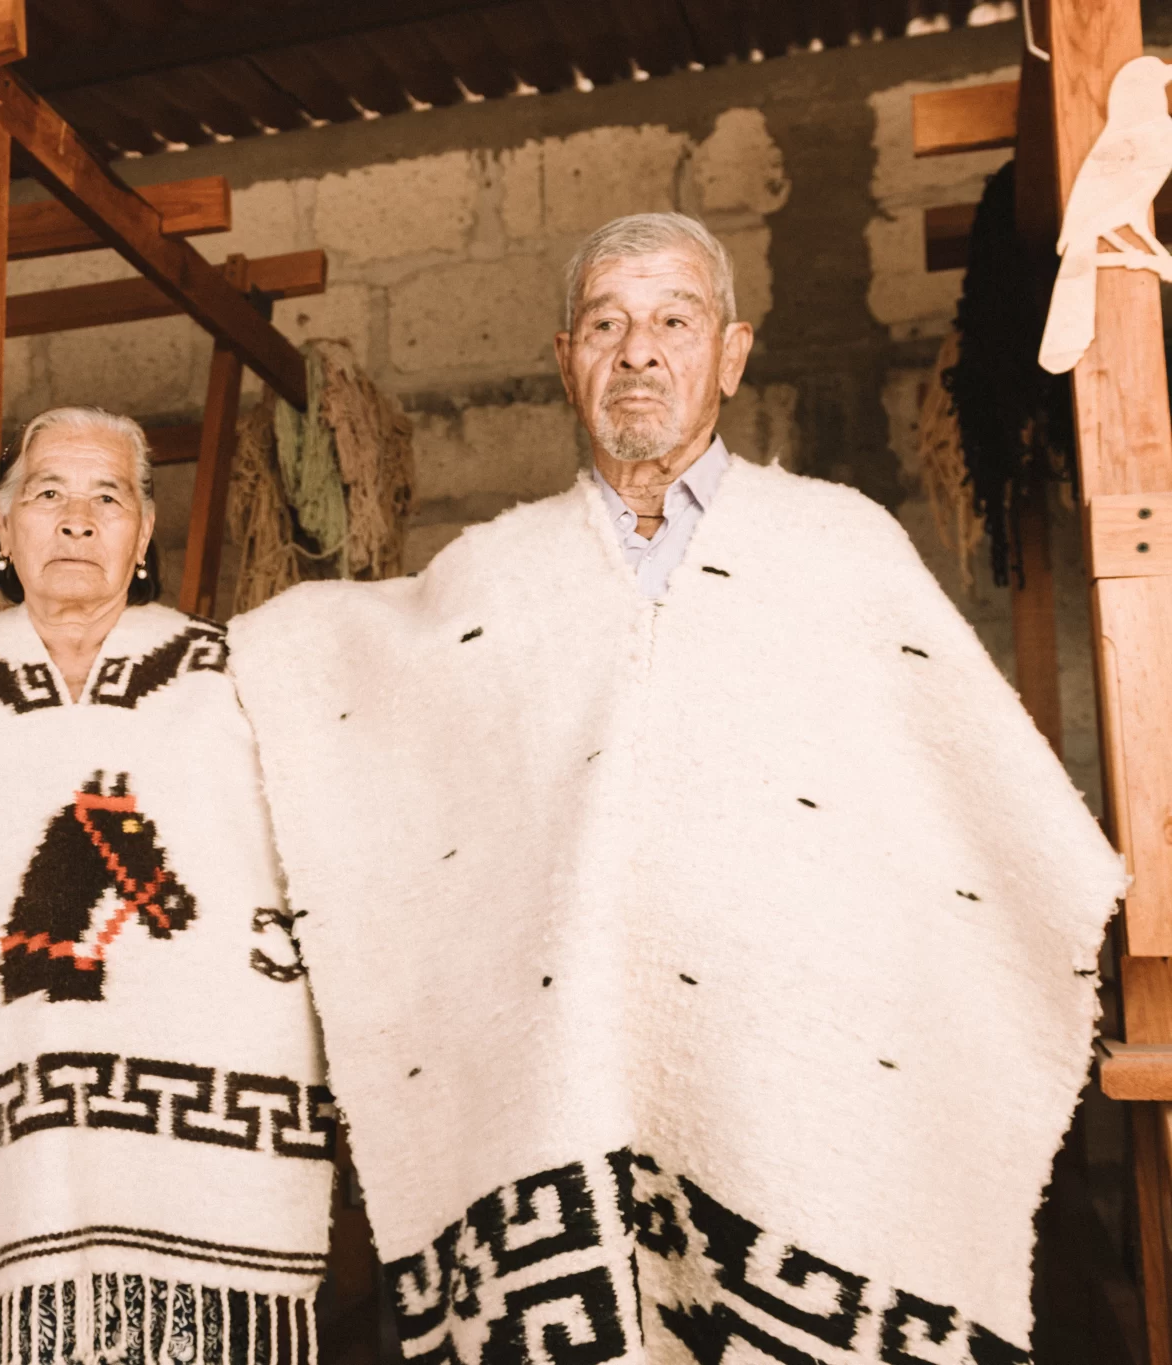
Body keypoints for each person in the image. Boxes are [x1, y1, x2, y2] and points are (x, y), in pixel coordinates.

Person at [226, 213, 1124, 1365]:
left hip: (784, 1078)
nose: (637, 350)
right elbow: (361, 702)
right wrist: (185, 661)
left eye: (672, 320)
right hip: (561, 1091)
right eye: (604, 324)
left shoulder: (836, 551)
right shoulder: (495, 576)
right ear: (565, 360)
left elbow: (975, 803)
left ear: (730, 355)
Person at [0, 407, 334, 1365]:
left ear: (144, 534)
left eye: (108, 497)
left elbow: (323, 869)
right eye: (48, 492)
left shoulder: (232, 679)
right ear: (6, 530)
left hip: (197, 1147)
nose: (78, 519)